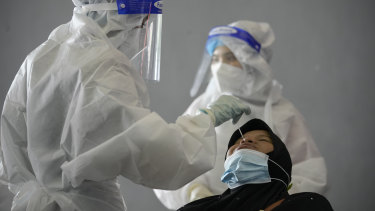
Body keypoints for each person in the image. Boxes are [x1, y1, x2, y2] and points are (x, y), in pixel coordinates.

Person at [0, 1, 251, 210]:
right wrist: (207, 118)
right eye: (143, 20)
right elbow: (158, 155)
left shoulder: (43, 55)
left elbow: (10, 147)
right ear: (120, 14)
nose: (143, 27)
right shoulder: (104, 67)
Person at [154, 20, 327, 210]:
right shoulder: (204, 105)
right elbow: (174, 159)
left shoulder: (283, 112)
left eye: (230, 57)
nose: (220, 66)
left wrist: (277, 202)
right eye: (215, 58)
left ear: (253, 62)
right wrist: (194, 193)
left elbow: (310, 171)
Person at [177, 118, 333, 211]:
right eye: (238, 141)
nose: (246, 140)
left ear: (280, 160)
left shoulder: (307, 206)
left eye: (263, 139)